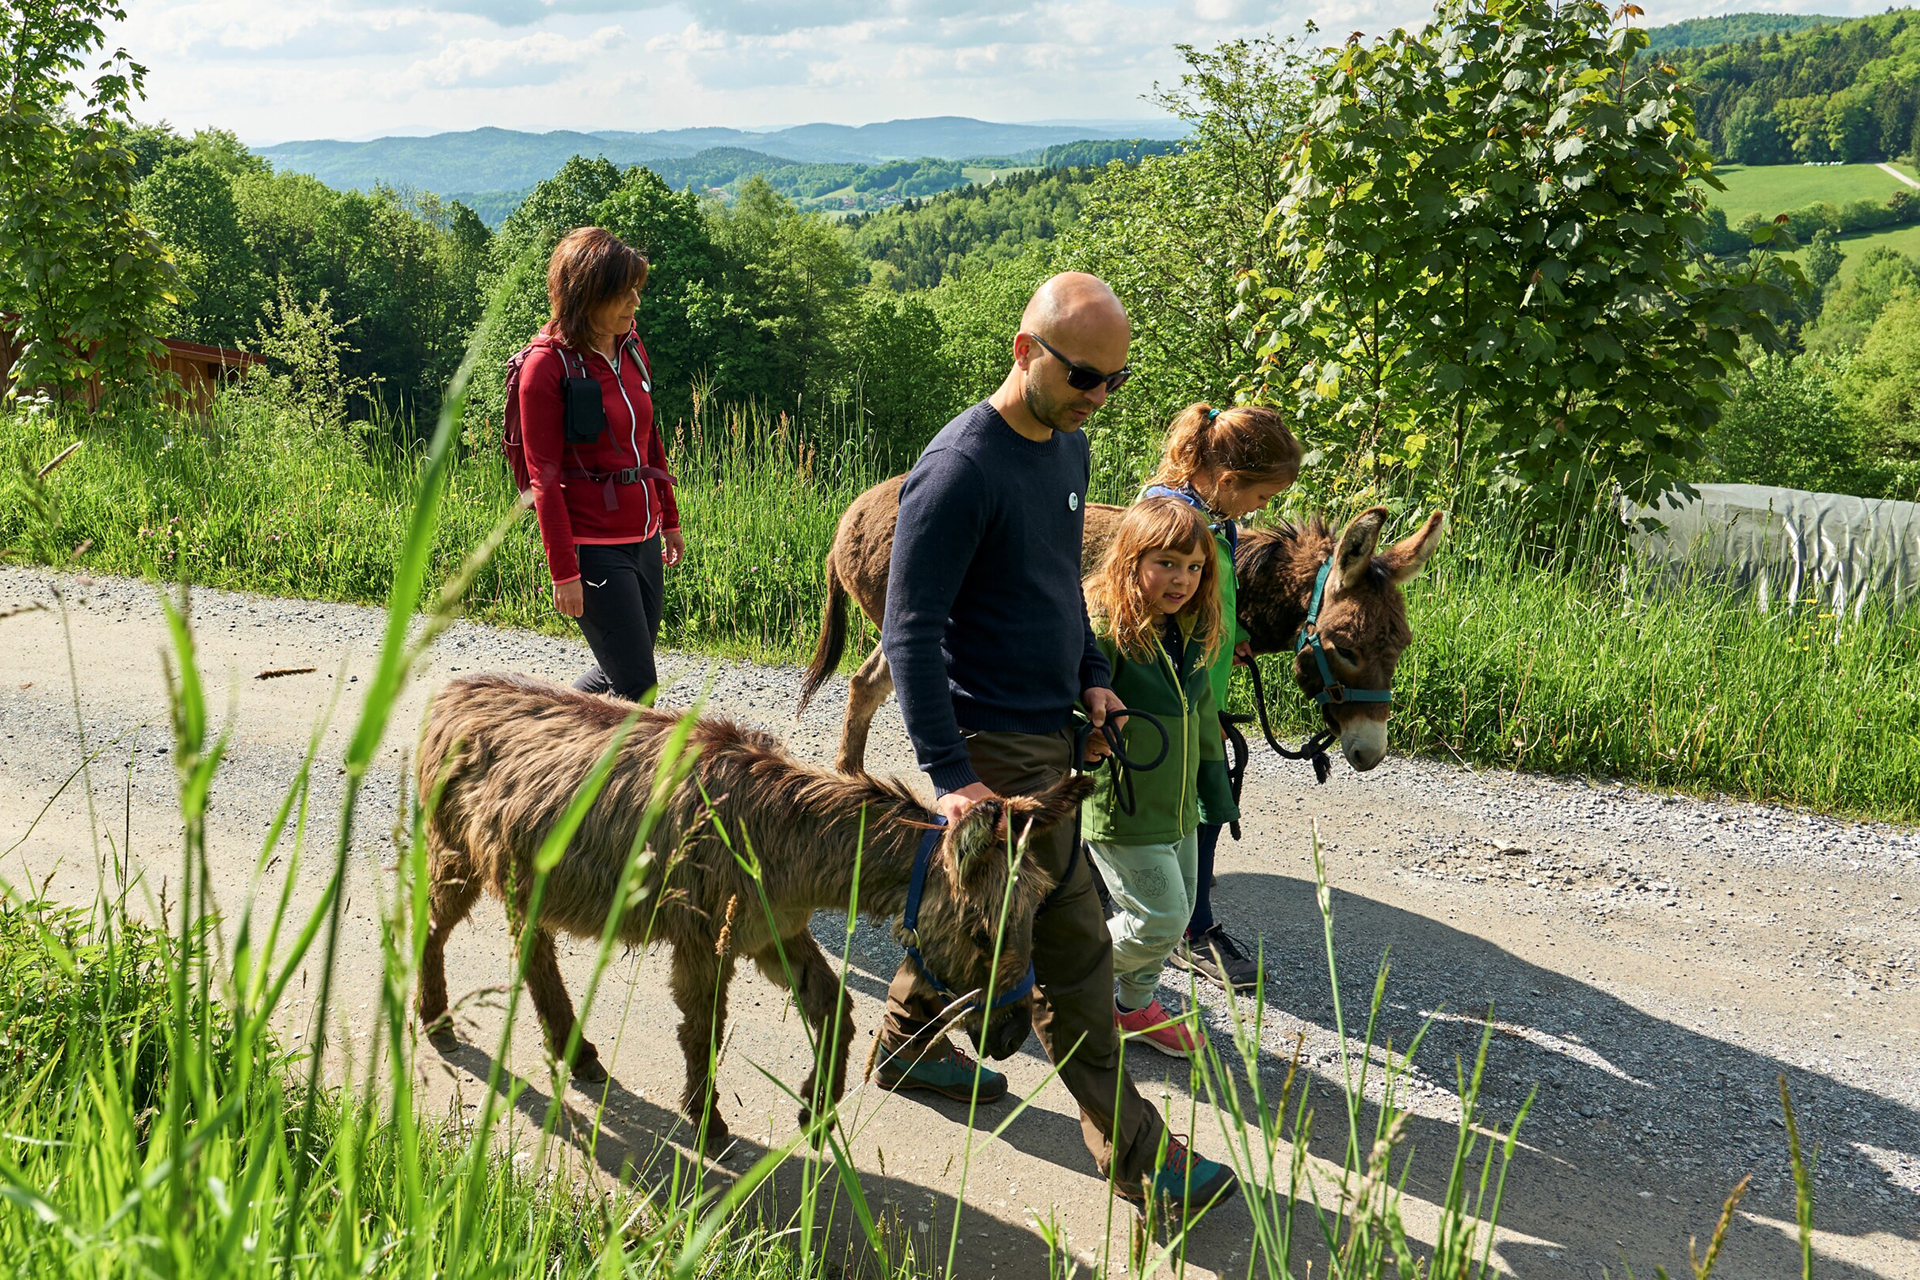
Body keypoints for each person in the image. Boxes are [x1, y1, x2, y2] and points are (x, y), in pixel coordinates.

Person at [876, 271, 1237, 1216]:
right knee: (1074, 947)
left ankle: (905, 1044)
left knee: (986, 924)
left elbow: (1054, 593)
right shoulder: (960, 469)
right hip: (993, 744)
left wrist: (1091, 677)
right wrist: (951, 776)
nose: (1100, 398)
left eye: (1116, 380)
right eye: (1084, 375)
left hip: (1055, 728)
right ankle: (1145, 1161)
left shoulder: (1066, 449)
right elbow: (909, 632)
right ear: (1023, 350)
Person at [1141, 403, 1302, 992]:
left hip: (1202, 686)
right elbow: (1153, 604)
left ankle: (1185, 914)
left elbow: (1204, 601)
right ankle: (1188, 927)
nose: (1263, 510)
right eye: (1260, 497)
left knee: (1209, 792)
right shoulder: (1175, 520)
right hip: (1170, 695)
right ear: (1229, 480)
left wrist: (1228, 639)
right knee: (1186, 802)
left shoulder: (1213, 517)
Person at [1080, 497, 1224, 1056]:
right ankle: (1046, 975)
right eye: (1166, 563)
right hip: (1124, 806)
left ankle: (1132, 1006)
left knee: (1180, 912)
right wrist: (1087, 735)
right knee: (1158, 921)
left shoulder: (1190, 629)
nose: (1182, 580)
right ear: (1131, 558)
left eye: (1194, 568)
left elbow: (1203, 716)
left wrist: (1213, 792)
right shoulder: (1104, 629)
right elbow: (1075, 706)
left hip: (1179, 806)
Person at [519, 226, 685, 701]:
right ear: (585, 294)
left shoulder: (630, 347)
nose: (635, 302)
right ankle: (630, 776)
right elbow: (543, 479)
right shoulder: (546, 367)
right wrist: (563, 571)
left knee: (624, 668)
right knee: (639, 688)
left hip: (643, 533)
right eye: (622, 292)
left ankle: (543, 732)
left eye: (636, 289)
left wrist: (668, 518)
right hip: (592, 545)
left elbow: (648, 438)